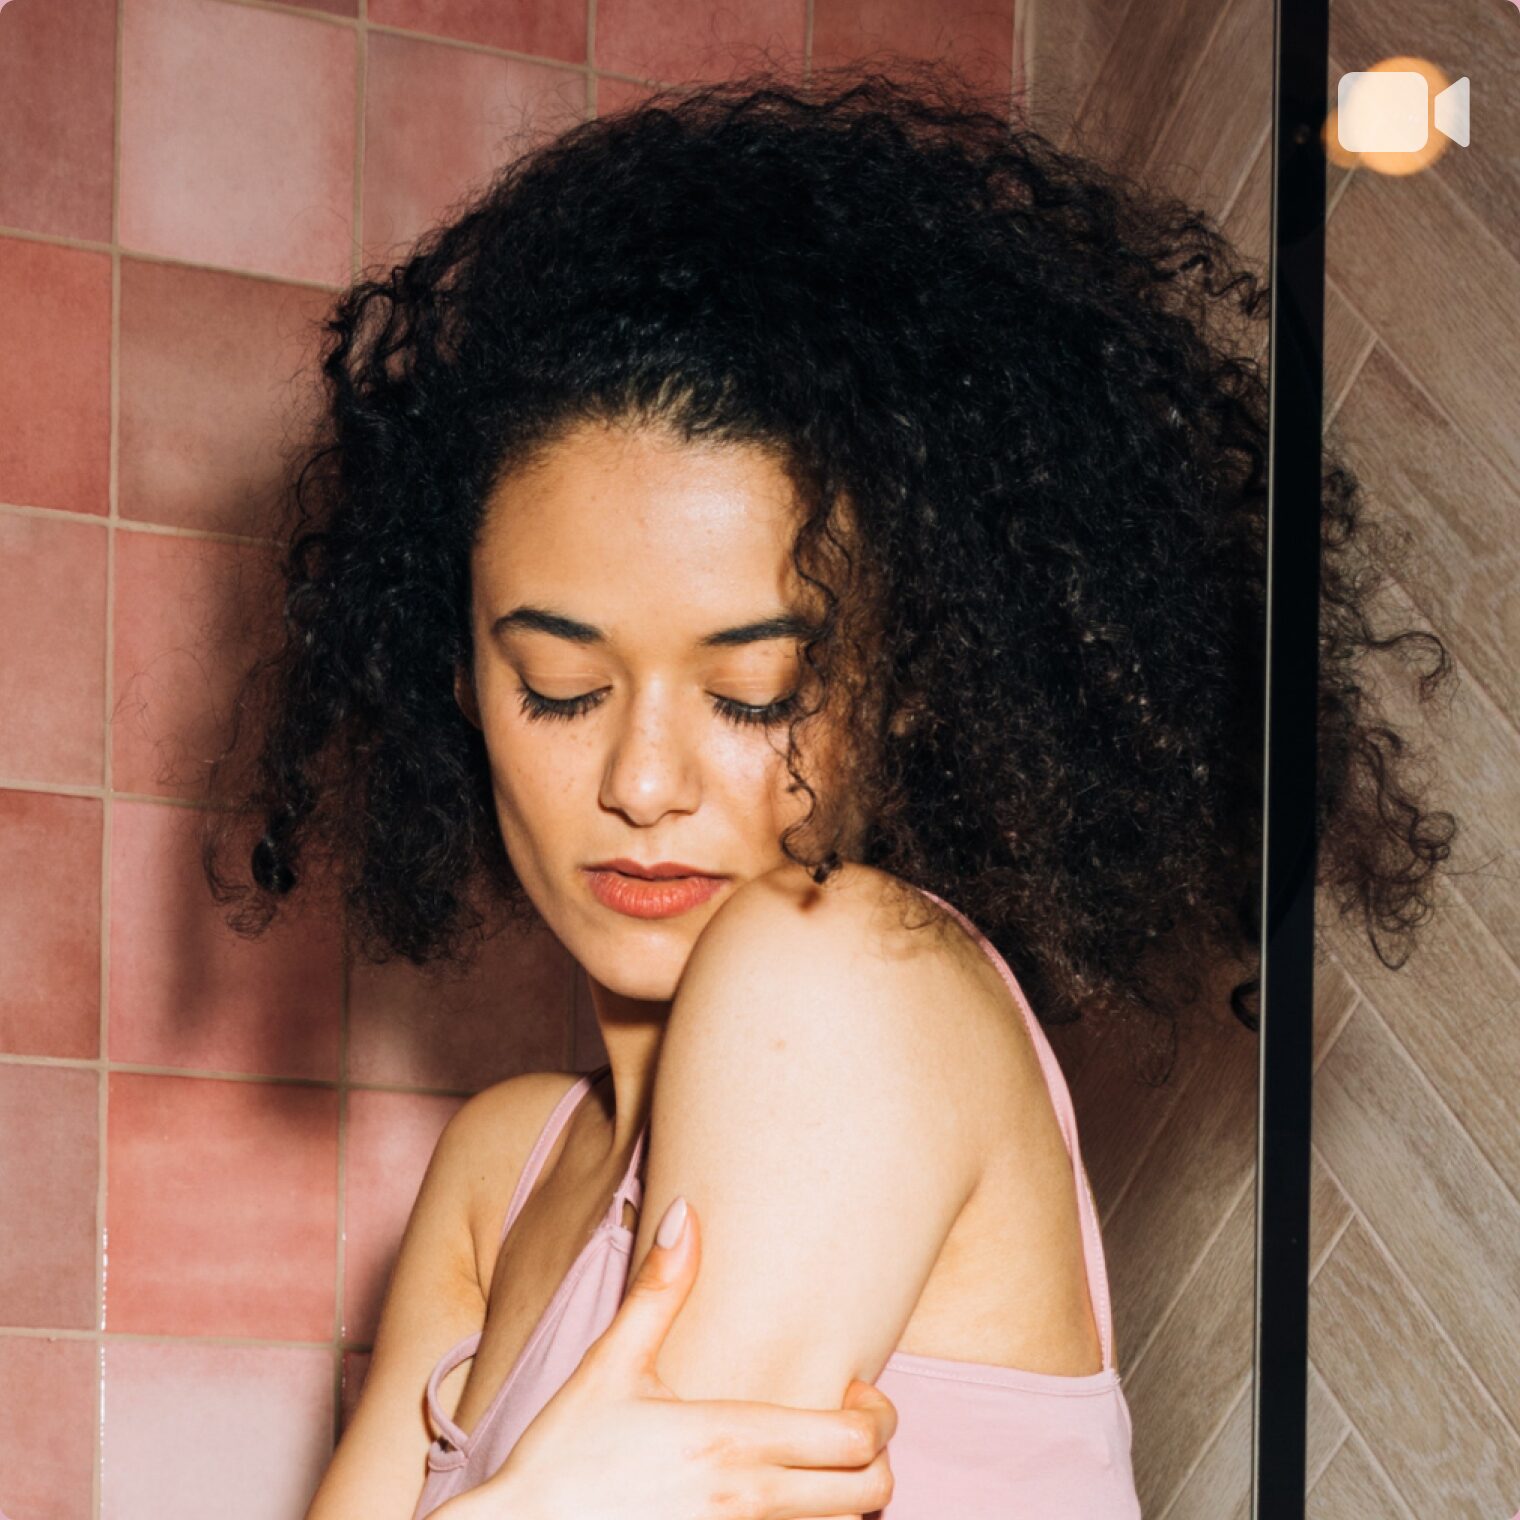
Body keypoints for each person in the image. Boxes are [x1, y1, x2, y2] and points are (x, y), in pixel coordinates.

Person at [201, 60, 1457, 1520]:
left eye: (754, 692)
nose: (644, 782)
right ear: (460, 678)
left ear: (905, 681)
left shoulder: (853, 981)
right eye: (559, 684)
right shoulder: (500, 1174)